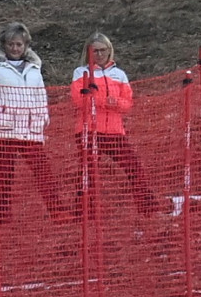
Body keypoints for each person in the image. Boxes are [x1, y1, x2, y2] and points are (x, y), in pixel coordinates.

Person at [0, 22, 63, 224]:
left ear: (26, 45)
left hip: (30, 129)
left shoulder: (34, 67)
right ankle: (2, 216)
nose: (15, 48)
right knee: (4, 174)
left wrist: (42, 117)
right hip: (3, 128)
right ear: (4, 44)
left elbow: (40, 94)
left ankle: (57, 211)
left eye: (19, 44)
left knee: (43, 172)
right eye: (11, 44)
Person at [69, 32, 161, 216]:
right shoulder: (81, 73)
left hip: (114, 131)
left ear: (110, 51)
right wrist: (105, 101)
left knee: (133, 166)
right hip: (89, 130)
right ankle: (83, 212)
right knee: (88, 172)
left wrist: (112, 102)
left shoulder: (119, 74)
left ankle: (148, 207)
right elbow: (80, 100)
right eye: (95, 51)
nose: (99, 55)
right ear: (88, 52)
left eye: (103, 50)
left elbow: (127, 103)